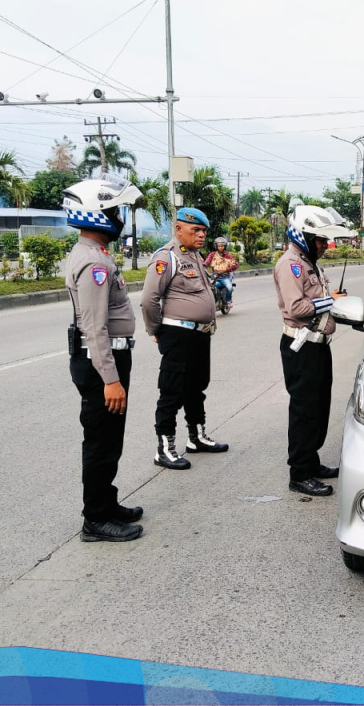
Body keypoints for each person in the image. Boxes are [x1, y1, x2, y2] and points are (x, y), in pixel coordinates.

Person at [62, 177, 144, 542]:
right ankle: (95, 518)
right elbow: (94, 327)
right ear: (96, 215)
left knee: (111, 439)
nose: (118, 216)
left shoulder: (96, 256)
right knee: (100, 441)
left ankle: (107, 503)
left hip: (105, 360)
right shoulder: (93, 263)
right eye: (113, 210)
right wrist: (110, 379)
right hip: (101, 365)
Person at [274, 205, 356, 496]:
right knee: (304, 410)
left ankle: (312, 461)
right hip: (301, 345)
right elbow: (297, 307)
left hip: (319, 345)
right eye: (320, 239)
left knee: (319, 407)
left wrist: (336, 304)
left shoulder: (310, 262)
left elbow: (320, 300)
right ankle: (299, 473)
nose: (325, 245)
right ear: (303, 235)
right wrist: (329, 301)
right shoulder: (291, 264)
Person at [142, 207, 230, 470]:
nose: (202, 235)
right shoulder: (167, 258)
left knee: (196, 387)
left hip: (199, 334)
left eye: (204, 231)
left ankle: (197, 437)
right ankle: (165, 448)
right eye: (196, 230)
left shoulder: (195, 257)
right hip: (177, 334)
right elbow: (149, 301)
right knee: (171, 391)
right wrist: (157, 330)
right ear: (179, 229)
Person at [205, 237, 239, 309]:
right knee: (209, 288)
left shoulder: (228, 255)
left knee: (229, 287)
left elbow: (235, 264)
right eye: (219, 246)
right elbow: (207, 262)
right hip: (215, 276)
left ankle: (228, 301)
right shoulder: (212, 254)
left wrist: (227, 269)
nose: (220, 247)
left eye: (222, 246)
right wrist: (203, 266)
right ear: (216, 246)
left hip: (224, 277)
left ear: (225, 246)